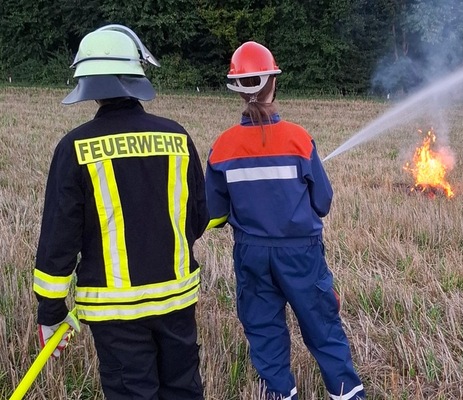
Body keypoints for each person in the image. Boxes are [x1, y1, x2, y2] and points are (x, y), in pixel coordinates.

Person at [33, 24, 208, 399]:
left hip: (114, 314)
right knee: (184, 391)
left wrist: (50, 312)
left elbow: (59, 240)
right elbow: (198, 218)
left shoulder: (74, 147)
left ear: (89, 84)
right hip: (177, 301)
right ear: (135, 74)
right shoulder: (177, 137)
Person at [205, 41, 366, 400]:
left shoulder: (222, 147)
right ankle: (348, 393)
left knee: (264, 330)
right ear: (273, 83)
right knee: (323, 326)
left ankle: (279, 392)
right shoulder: (298, 139)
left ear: (236, 89)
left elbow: (213, 213)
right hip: (301, 254)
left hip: (252, 256)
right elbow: (322, 202)